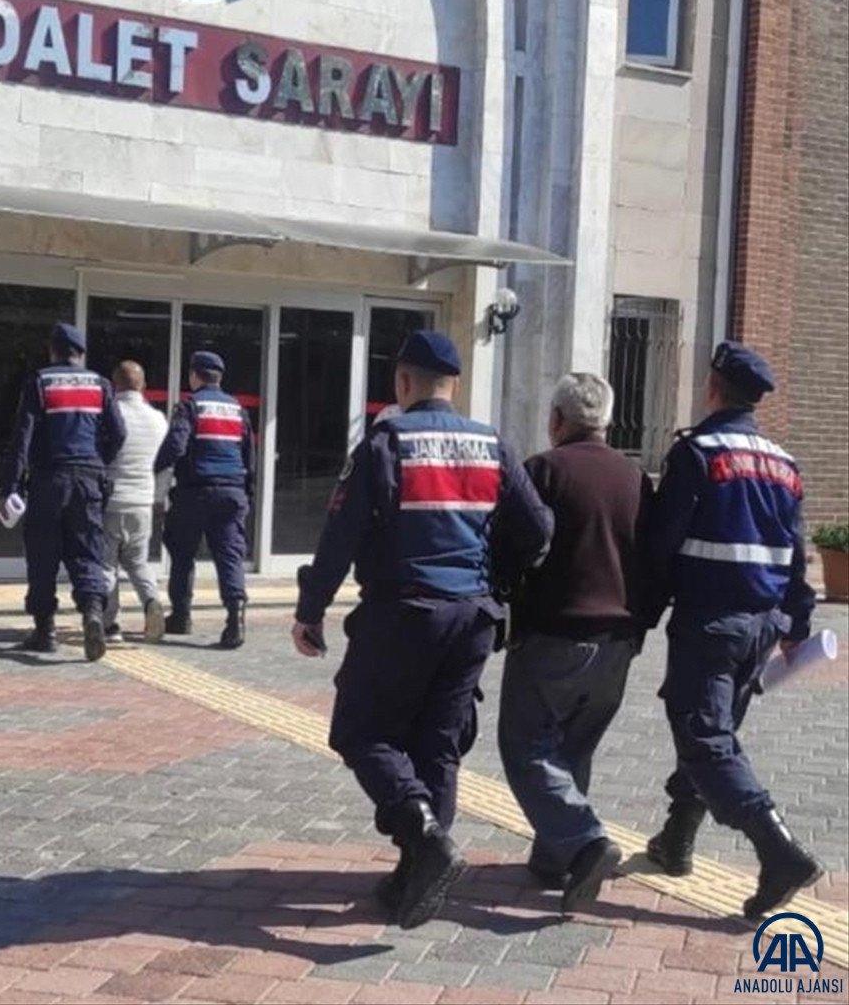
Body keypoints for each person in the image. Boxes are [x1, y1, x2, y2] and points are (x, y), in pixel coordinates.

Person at [292, 330, 553, 929]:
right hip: (472, 619)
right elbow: (538, 530)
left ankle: (421, 830)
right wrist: (495, 576)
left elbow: (342, 535)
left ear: (402, 382)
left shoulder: (387, 441)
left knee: (361, 732)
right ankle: (417, 875)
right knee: (438, 743)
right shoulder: (492, 444)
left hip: (402, 614)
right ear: (454, 384)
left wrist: (312, 609)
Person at [646, 340, 820, 918]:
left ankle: (778, 850)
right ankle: (677, 840)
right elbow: (798, 555)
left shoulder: (698, 453)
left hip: (710, 622)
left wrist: (639, 612)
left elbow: (660, 545)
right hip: (762, 627)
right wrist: (796, 623)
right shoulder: (784, 463)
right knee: (713, 731)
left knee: (704, 737)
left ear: (714, 388)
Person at [496, 373, 655, 913]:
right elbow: (655, 559)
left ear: (557, 420)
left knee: (525, 748)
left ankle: (585, 842)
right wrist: (641, 626)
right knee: (573, 748)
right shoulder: (636, 478)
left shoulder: (542, 470)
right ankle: (554, 856)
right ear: (607, 423)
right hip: (618, 636)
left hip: (554, 632)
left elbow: (512, 545)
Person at [1, 322, 126, 661]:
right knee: (87, 552)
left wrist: (9, 486)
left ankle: (45, 631)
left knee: (43, 555)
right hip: (89, 479)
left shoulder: (40, 381)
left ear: (52, 350)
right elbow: (118, 433)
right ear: (81, 353)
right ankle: (93, 615)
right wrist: (98, 461)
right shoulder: (100, 384)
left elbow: (22, 438)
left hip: (48, 480)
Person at [154, 351, 256, 648]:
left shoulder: (190, 406)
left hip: (194, 492)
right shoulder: (238, 410)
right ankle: (235, 619)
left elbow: (175, 444)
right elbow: (249, 456)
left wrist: (153, 468)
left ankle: (182, 615)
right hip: (232, 492)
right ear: (219, 377)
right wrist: (245, 493)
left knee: (182, 552)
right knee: (229, 556)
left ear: (194, 376)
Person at [101, 360, 170, 645]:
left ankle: (109, 625)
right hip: (142, 500)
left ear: (114, 383)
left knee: (106, 566)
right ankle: (151, 601)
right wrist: (158, 497)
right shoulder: (157, 419)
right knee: (138, 562)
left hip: (111, 500)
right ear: (142, 385)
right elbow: (164, 466)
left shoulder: (110, 414)